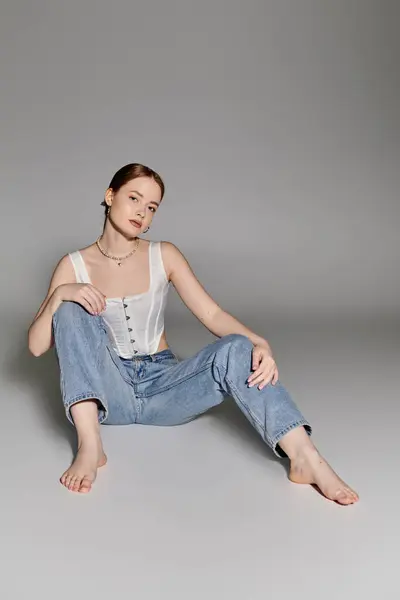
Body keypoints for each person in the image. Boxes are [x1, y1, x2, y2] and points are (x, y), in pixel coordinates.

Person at [28, 163, 358, 504]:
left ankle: (304, 457)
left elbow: (212, 314)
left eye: (152, 207)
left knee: (238, 346)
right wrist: (58, 296)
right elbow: (37, 347)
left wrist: (260, 342)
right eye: (134, 198)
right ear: (110, 196)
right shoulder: (73, 265)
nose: (142, 212)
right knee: (68, 306)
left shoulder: (164, 254)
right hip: (108, 396)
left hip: (164, 388)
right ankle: (90, 445)